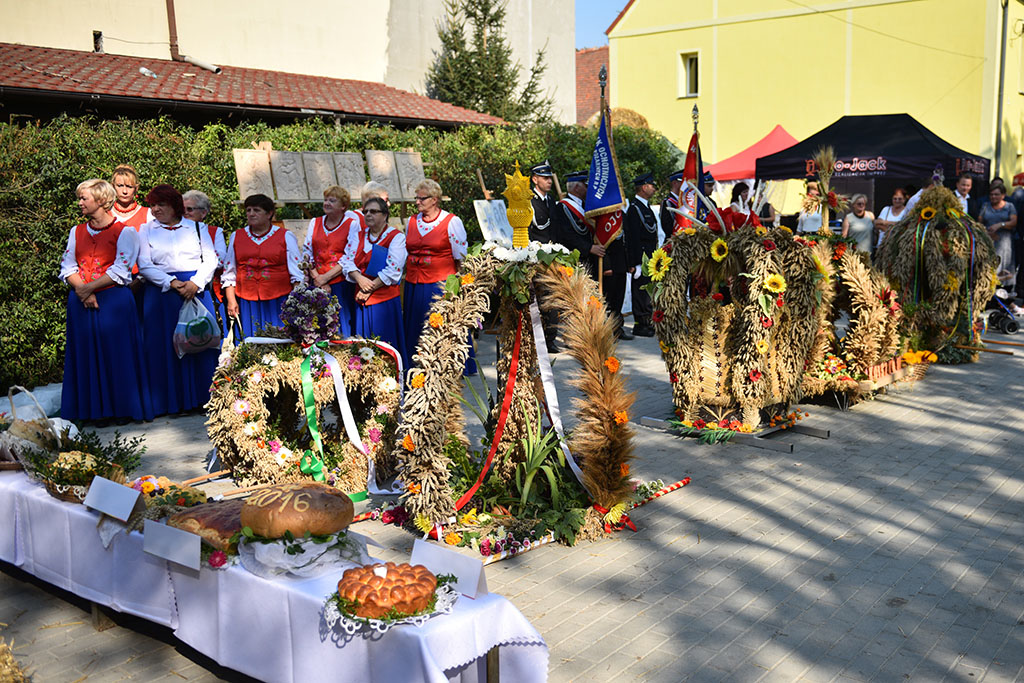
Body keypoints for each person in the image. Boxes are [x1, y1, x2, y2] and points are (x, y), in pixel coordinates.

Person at [59, 179, 152, 424]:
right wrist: (83, 291)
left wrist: (88, 289)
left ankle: (121, 410)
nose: (79, 203)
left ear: (100, 201)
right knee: (85, 353)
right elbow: (68, 265)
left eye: (84, 198)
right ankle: (90, 412)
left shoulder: (125, 231)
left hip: (113, 302)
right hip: (81, 302)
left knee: (117, 354)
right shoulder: (76, 231)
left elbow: (121, 270)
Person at [137, 184, 218, 416]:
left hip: (196, 290)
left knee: (200, 342)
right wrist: (171, 283)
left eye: (160, 204)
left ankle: (205, 400)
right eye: (152, 205)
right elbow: (144, 264)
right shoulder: (145, 230)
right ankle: (169, 403)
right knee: (164, 347)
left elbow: (210, 260)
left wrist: (195, 283)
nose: (155, 209)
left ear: (174, 206)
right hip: (162, 295)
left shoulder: (198, 228)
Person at [403, 179, 474, 371]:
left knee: (440, 325)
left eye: (422, 198)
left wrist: (461, 288)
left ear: (434, 200)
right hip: (414, 283)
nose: (417, 202)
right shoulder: (411, 221)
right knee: (415, 325)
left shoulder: (452, 222)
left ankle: (447, 362)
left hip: (439, 283)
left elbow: (460, 256)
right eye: (416, 198)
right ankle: (416, 362)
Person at [222, 194, 303, 338]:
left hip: (278, 300)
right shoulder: (236, 236)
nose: (251, 214)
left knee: (278, 341)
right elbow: (229, 272)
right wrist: (231, 300)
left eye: (256, 210)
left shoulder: (285, 236)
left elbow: (296, 272)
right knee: (250, 340)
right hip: (247, 301)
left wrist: (296, 301)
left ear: (269, 213)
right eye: (248, 210)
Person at [341, 196, 408, 363]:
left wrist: (368, 289)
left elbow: (393, 270)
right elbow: (347, 260)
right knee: (363, 346)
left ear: (385, 215)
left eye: (373, 211)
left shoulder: (396, 237)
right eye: (366, 211)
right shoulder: (358, 235)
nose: (368, 214)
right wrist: (358, 278)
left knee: (385, 345)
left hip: (383, 301)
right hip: (361, 299)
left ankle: (389, 382)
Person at [304, 186, 361, 336]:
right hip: (316, 283)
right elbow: (307, 252)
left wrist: (326, 278)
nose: (327, 203)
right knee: (315, 326)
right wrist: (318, 278)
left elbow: (349, 256)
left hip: (340, 285)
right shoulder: (314, 222)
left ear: (343, 206)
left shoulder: (352, 225)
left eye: (332, 200)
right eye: (325, 200)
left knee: (340, 325)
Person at [183, 190, 227, 331]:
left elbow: (220, 259)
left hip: (207, 289)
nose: (185, 213)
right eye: (183, 209)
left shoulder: (215, 232)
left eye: (190, 209)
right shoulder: (174, 231)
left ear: (203, 213)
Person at [625, 173, 659, 337]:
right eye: (652, 185)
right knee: (640, 292)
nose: (654, 189)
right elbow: (632, 238)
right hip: (641, 257)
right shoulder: (634, 209)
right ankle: (641, 323)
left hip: (650, 257)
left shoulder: (645, 208)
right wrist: (635, 262)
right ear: (644, 187)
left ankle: (648, 321)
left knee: (648, 291)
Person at [553, 171, 601, 278]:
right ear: (577, 188)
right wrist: (588, 248)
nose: (588, 189)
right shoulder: (562, 208)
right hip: (575, 260)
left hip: (591, 261)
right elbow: (566, 235)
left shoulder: (587, 206)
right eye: (586, 186)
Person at [978, 184, 1017, 286]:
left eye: (996, 194)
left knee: (1004, 268)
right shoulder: (985, 206)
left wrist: (1000, 225)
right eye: (991, 194)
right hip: (988, 242)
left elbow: (1013, 222)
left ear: (1003, 195)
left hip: (1004, 243)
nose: (993, 197)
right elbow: (979, 223)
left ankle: (1004, 296)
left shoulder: (1009, 206)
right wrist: (987, 233)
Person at [110, 165, 151, 231]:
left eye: (129, 186)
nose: (124, 191)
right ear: (112, 186)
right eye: (120, 186)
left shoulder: (149, 215)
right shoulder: (104, 214)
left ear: (136, 188)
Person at [529, 161, 558, 244]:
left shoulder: (550, 200)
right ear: (535, 180)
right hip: (536, 250)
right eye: (545, 178)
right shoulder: (528, 200)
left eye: (550, 178)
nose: (550, 181)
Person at [659, 170, 686, 240]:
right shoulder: (667, 202)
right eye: (682, 182)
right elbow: (666, 226)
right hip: (673, 241)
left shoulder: (685, 201)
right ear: (675, 183)